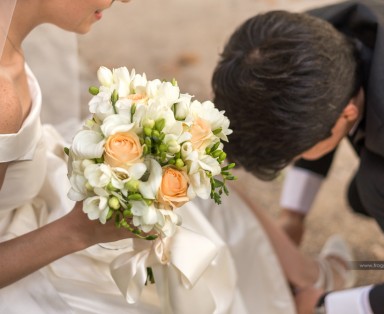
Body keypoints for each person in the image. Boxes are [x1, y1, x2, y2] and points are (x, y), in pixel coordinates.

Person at [0, 1, 354, 313]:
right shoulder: (4, 101)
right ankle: (295, 292)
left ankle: (298, 274)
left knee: (201, 193)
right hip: (28, 255)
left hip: (38, 197)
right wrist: (77, 232)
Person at [211, 0, 384, 313]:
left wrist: (325, 305)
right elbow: (305, 113)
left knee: (382, 187)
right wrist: (293, 214)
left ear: (346, 114)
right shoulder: (296, 45)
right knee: (367, 189)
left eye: (296, 154)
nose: (296, 160)